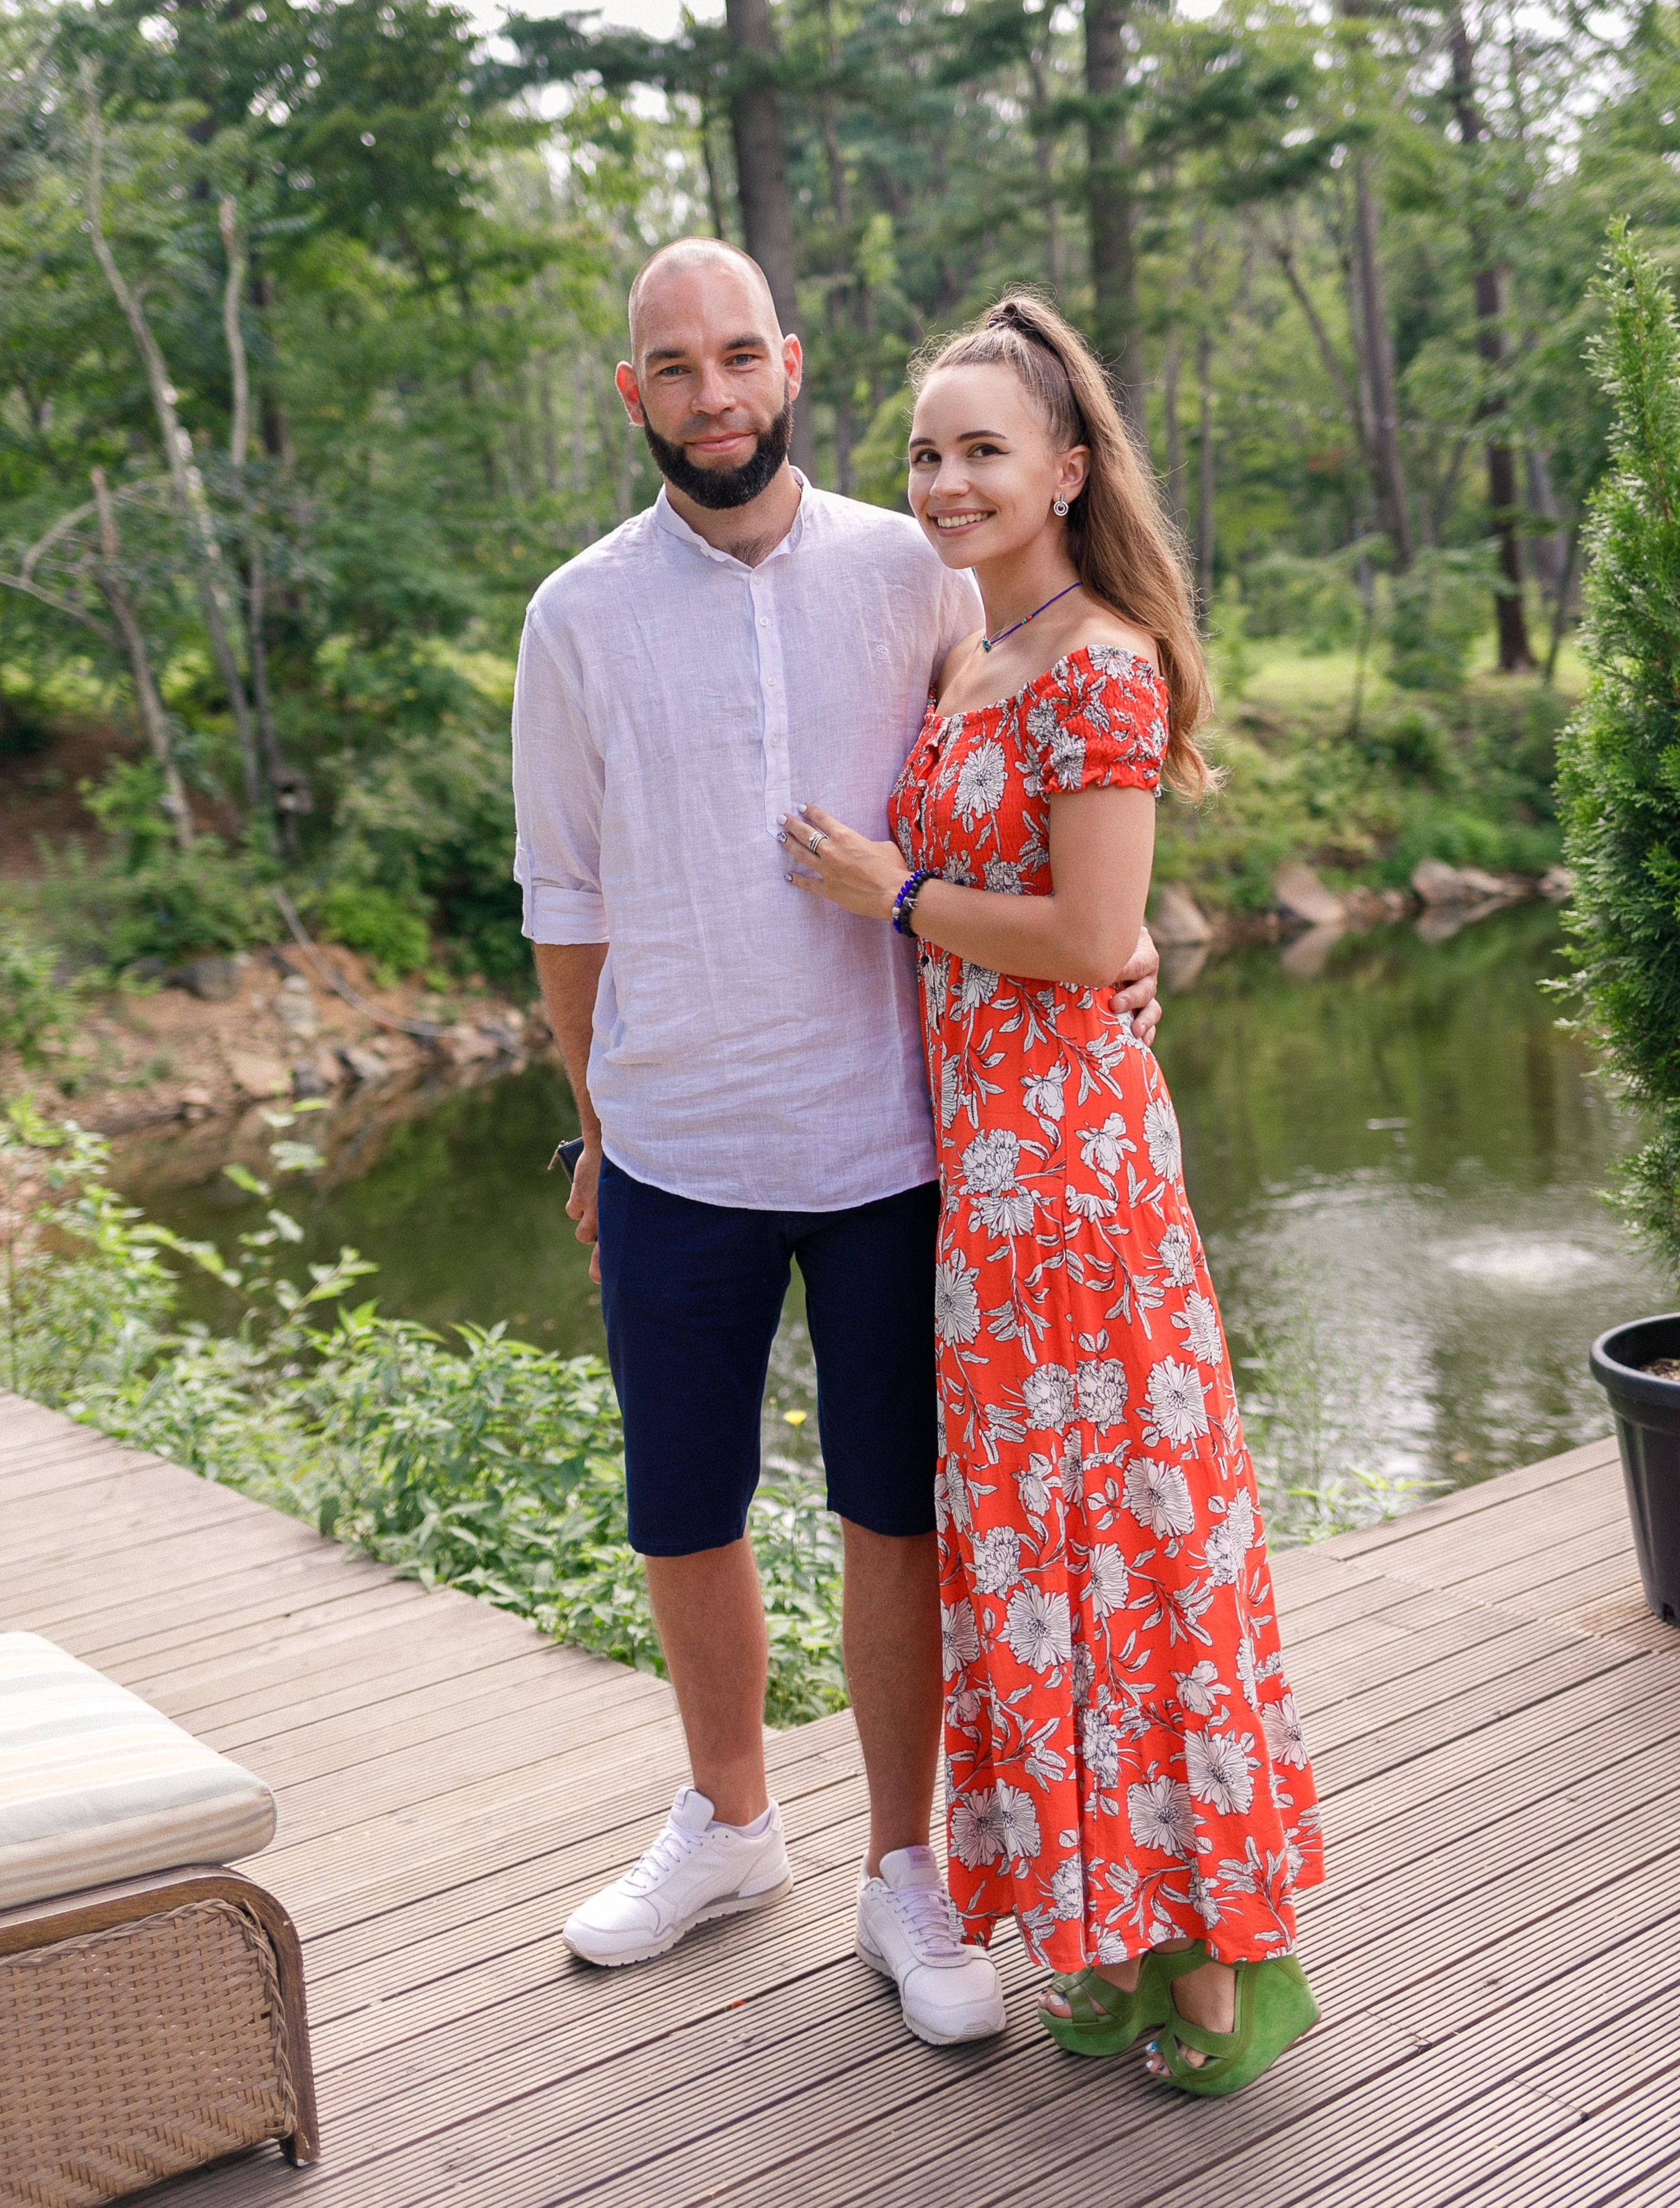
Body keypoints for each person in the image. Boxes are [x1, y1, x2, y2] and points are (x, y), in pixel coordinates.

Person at [510, 239, 1162, 2048]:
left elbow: (1030, 792)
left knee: (896, 1515)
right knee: (682, 1512)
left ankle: (905, 1869)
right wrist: (597, 1123)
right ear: (631, 394)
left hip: (897, 1146)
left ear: (788, 363)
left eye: (739, 356)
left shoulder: (912, 563)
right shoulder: (574, 617)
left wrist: (1130, 945)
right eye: (673, 368)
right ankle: (727, 1823)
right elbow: (565, 902)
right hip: (676, 1147)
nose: (713, 394)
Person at [779, 291, 1324, 2099]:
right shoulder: (969, 657)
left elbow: (1095, 941)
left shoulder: (1101, 659)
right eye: (926, 450)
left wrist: (895, 897)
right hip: (985, 1206)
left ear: (1068, 471)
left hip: (1080, 1195)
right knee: (1031, 1575)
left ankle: (1226, 1969)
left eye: (983, 450)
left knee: (1134, 1561)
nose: (944, 480)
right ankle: (1099, 1934)